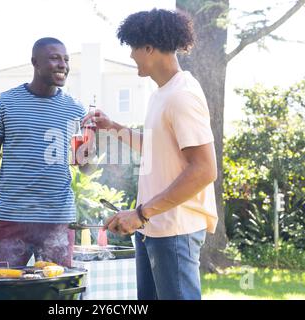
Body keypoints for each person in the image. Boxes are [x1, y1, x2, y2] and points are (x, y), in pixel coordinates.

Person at [83, 9, 218, 299]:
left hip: (174, 230)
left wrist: (142, 213)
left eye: (133, 47)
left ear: (149, 48)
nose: (131, 55)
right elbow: (158, 148)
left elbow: (205, 170)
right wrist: (113, 127)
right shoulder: (161, 94)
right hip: (153, 228)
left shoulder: (182, 95)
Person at [0, 37, 95, 268]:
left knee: (57, 294)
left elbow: (85, 167)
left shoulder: (76, 109)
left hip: (58, 221)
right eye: (54, 58)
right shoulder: (4, 103)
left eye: (66, 59)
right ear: (35, 62)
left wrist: (90, 151)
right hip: (12, 217)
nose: (63, 64)